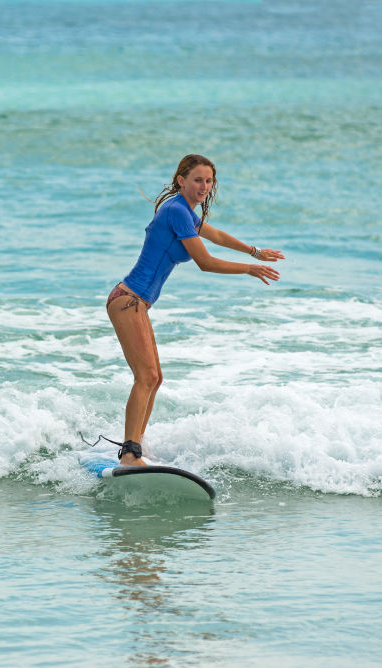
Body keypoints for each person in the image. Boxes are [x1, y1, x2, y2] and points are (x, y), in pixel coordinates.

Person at [106, 154, 285, 466]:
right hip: (128, 300)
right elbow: (205, 262)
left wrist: (255, 250)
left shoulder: (184, 212)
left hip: (136, 303)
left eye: (209, 181)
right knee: (146, 376)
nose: (204, 186)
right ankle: (130, 454)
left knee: (155, 377)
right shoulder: (176, 210)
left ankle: (136, 444)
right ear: (181, 181)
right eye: (198, 180)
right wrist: (249, 268)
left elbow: (215, 235)